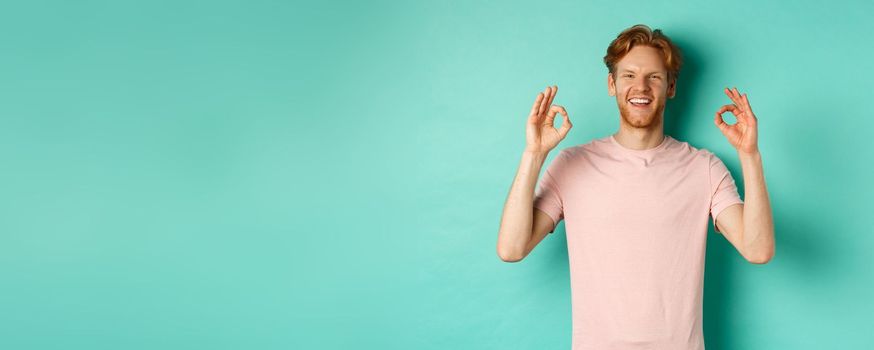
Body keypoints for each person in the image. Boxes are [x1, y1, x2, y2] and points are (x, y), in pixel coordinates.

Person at [495, 24, 775, 350]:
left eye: (654, 77)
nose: (640, 86)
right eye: (628, 75)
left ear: (670, 87)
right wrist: (534, 154)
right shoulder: (571, 165)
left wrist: (750, 156)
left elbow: (758, 249)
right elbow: (511, 248)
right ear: (612, 84)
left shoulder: (704, 169)